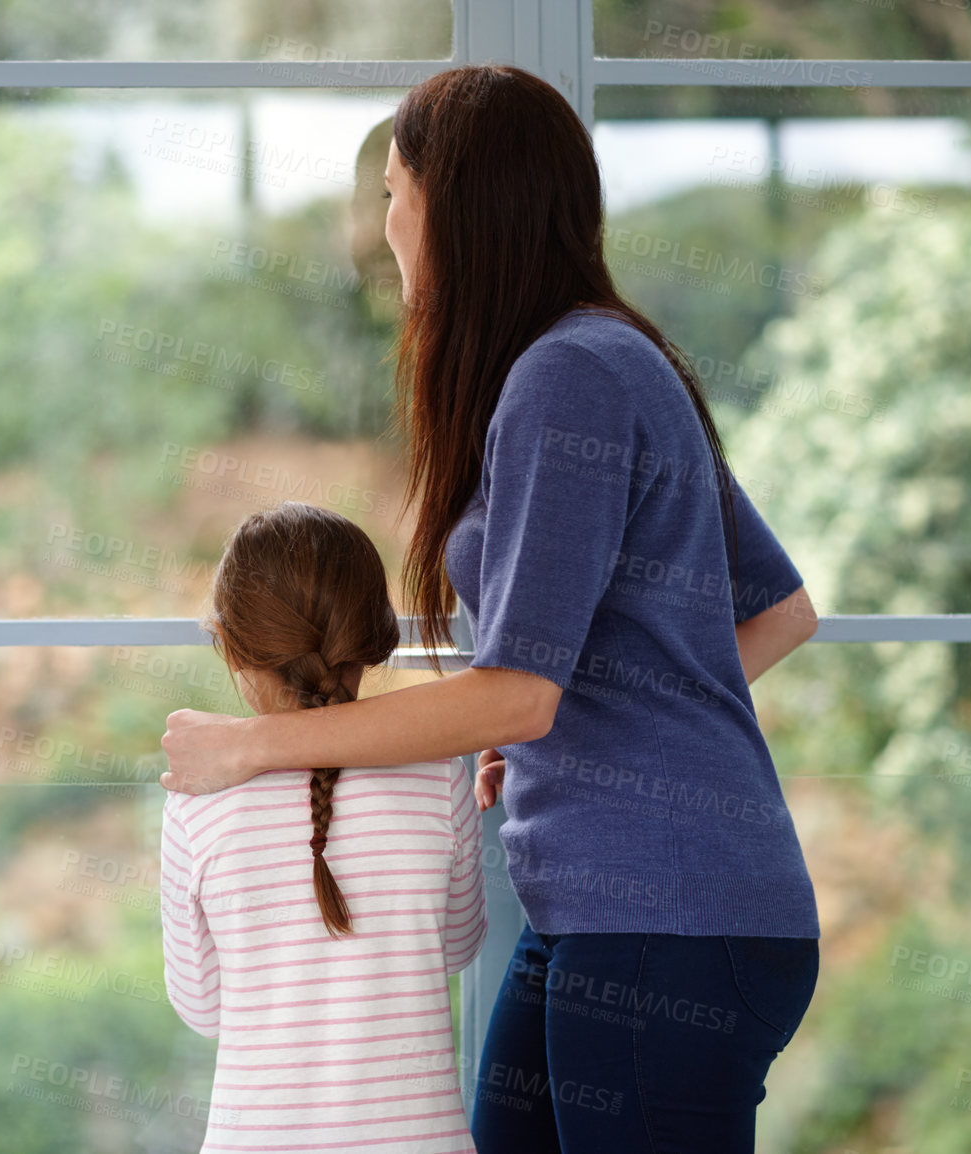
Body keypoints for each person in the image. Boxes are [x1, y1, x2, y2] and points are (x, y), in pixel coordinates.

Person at [159, 65, 821, 1153]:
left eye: (392, 191)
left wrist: (254, 747)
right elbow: (780, 611)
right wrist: (583, 736)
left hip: (666, 915)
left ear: (448, 202)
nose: (385, 223)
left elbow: (514, 691)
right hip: (614, 911)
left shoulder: (572, 375)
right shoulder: (606, 357)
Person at [159, 502, 487, 1154]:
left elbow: (202, 1008)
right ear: (370, 638)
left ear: (229, 643)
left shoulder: (198, 801)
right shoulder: (441, 775)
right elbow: (457, 947)